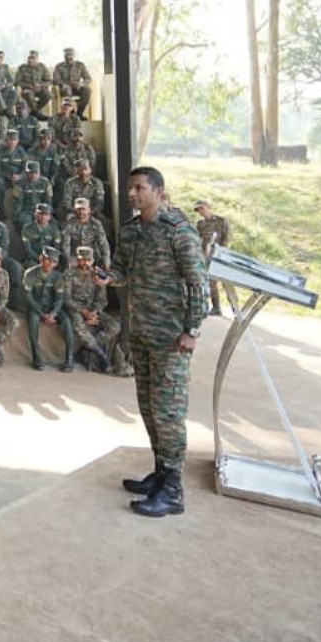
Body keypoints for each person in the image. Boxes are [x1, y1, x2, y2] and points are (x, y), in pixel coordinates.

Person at [112, 166, 207, 518]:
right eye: (129, 188)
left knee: (169, 414)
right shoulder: (132, 231)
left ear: (159, 191)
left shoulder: (179, 232)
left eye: (139, 188)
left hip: (171, 339)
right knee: (150, 409)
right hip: (141, 333)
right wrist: (105, 275)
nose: (132, 194)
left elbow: (198, 283)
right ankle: (160, 472)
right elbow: (122, 271)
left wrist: (192, 330)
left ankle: (173, 490)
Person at [65, 246, 121, 375]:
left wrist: (94, 312)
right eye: (82, 260)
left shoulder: (97, 275)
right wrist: (83, 312)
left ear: (93, 260)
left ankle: (88, 348)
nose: (85, 263)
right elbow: (66, 298)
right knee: (79, 327)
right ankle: (102, 356)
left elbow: (102, 300)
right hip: (76, 309)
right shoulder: (69, 274)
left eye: (88, 260)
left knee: (114, 326)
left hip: (93, 309)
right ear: (77, 260)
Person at [23, 246, 74, 372]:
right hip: (35, 307)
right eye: (47, 260)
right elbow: (28, 297)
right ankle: (36, 356)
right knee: (33, 321)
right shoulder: (30, 273)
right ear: (41, 259)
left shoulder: (57, 277)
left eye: (54, 261)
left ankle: (69, 358)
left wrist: (54, 313)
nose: (50, 263)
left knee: (66, 321)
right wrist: (41, 313)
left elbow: (59, 298)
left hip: (51, 308)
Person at [194, 199, 232, 316]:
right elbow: (197, 239)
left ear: (208, 207)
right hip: (207, 256)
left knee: (227, 283)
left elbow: (227, 238)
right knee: (211, 282)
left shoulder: (221, 221)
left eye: (202, 208)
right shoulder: (201, 224)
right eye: (198, 210)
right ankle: (216, 308)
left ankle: (236, 308)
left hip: (220, 256)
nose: (201, 212)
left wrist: (222, 253)